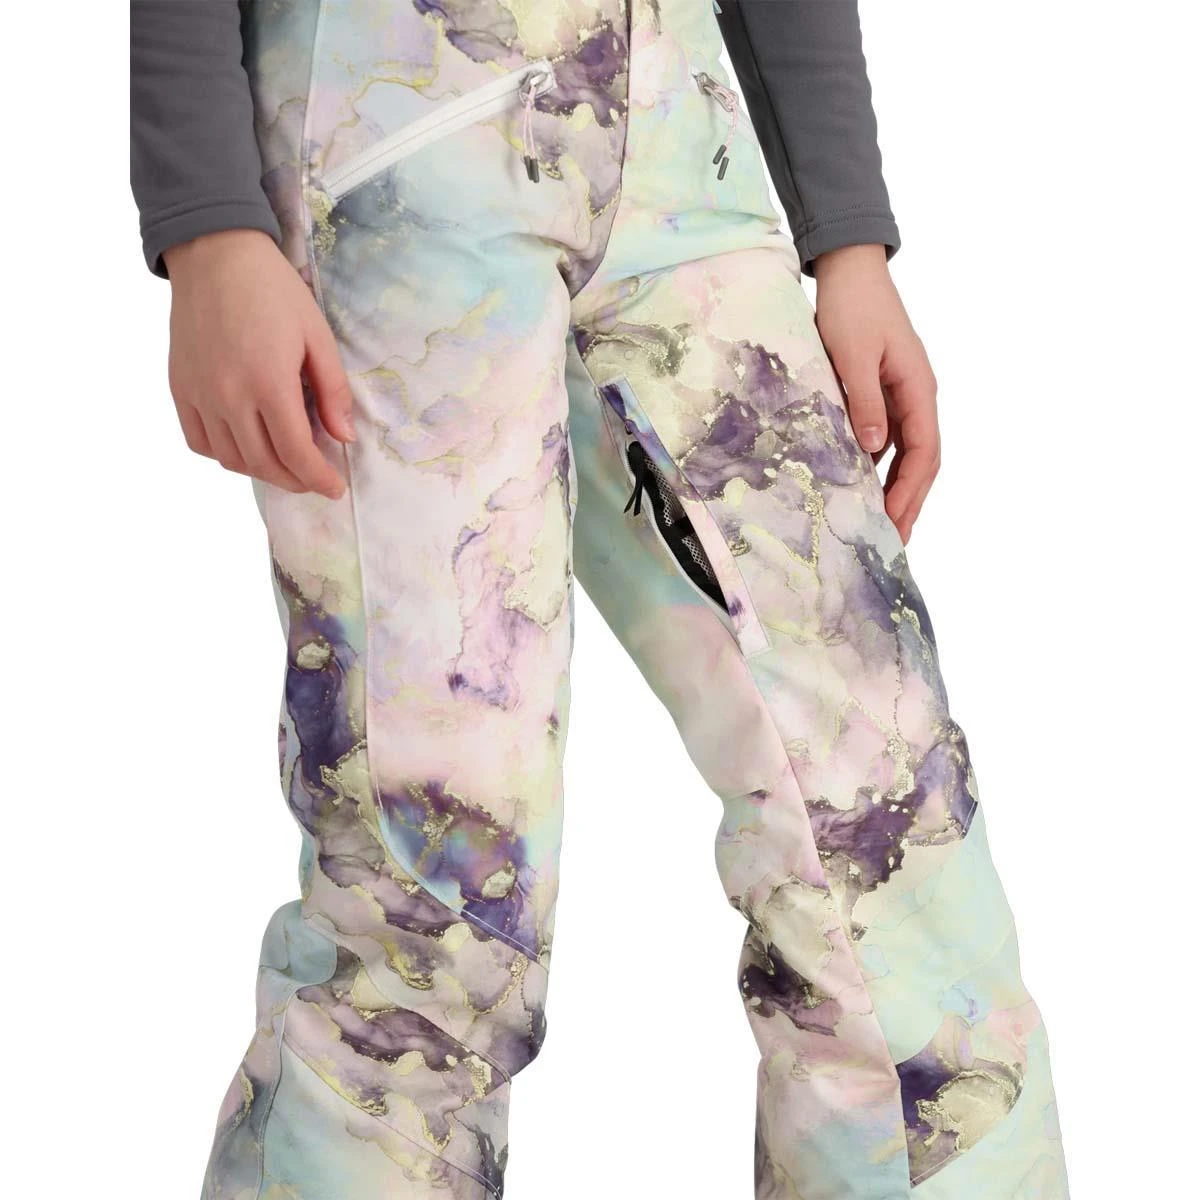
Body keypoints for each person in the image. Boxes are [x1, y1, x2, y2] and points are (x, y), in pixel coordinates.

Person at [130, 2, 1070, 1197]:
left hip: (684, 139)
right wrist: (206, 218)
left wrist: (847, 237)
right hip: (396, 126)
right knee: (436, 893)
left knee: (889, 836)